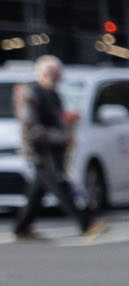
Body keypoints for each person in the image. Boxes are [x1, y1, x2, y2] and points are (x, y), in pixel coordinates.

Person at [13, 57, 92, 240]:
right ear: (45, 74)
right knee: (60, 185)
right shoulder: (33, 94)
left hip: (53, 148)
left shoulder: (53, 94)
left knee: (38, 191)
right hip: (41, 149)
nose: (57, 79)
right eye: (54, 74)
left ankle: (21, 227)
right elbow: (30, 126)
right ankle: (85, 223)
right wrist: (59, 135)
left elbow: (57, 119)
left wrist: (66, 129)